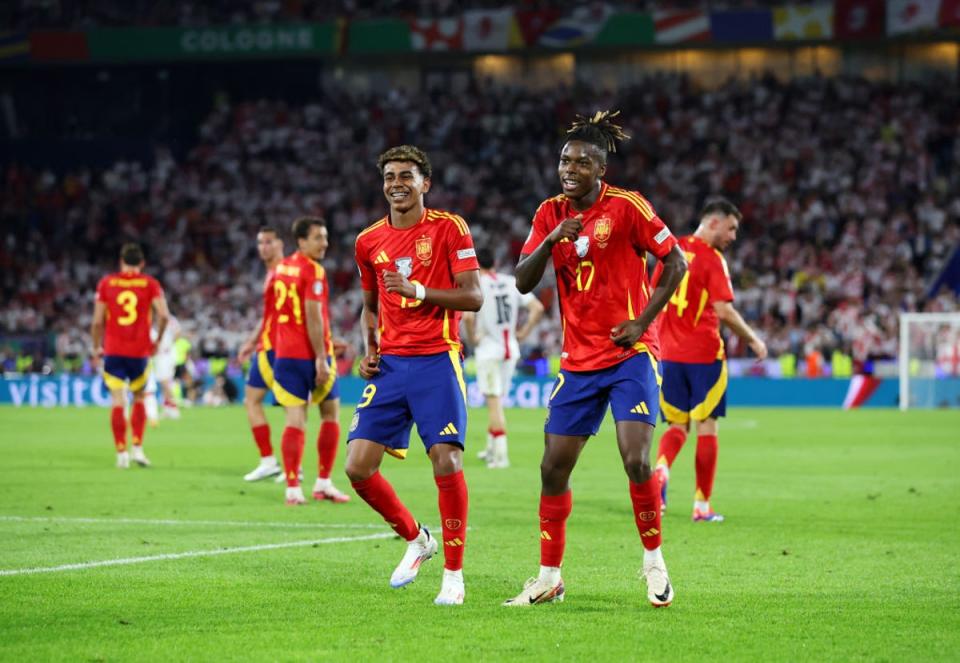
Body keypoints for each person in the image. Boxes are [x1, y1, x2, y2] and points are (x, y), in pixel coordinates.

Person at [502, 111, 687, 608]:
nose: (570, 168)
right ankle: (548, 576)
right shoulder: (548, 213)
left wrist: (643, 322)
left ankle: (654, 562)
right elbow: (522, 281)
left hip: (629, 356)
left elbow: (676, 261)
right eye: (565, 160)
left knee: (637, 459)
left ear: (600, 170)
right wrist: (549, 239)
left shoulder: (627, 207)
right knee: (551, 469)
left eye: (582, 162)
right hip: (577, 362)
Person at [345, 145, 482, 606]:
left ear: (426, 182)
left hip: (436, 360)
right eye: (389, 176)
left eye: (406, 175)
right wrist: (369, 351)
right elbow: (369, 306)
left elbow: (474, 297)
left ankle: (455, 576)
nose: (396, 183)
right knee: (358, 468)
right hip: (391, 365)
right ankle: (417, 538)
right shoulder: (368, 241)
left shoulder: (448, 228)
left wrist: (419, 290)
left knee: (446, 460)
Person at [652, 198, 768, 522]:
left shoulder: (670, 249)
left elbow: (653, 298)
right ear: (713, 223)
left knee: (676, 425)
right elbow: (724, 310)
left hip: (668, 355)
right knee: (707, 426)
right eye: (731, 228)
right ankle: (701, 507)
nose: (733, 236)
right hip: (704, 355)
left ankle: (660, 470)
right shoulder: (713, 259)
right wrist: (753, 339)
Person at [270, 217, 348, 505]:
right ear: (301, 241)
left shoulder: (281, 267)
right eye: (318, 238)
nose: (324, 243)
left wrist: (327, 340)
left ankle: (292, 487)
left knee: (295, 419)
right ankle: (324, 482)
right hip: (311, 355)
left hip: (285, 354)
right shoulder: (313, 270)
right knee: (330, 414)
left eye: (325, 237)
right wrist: (320, 355)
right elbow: (313, 315)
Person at [462, 247, 545, 468]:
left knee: (494, 403)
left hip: (489, 350)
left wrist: (473, 339)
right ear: (495, 263)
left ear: (477, 265)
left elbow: (468, 319)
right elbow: (537, 308)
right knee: (498, 402)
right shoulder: (511, 281)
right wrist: (524, 333)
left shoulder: (477, 284)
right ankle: (490, 449)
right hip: (511, 349)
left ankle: (500, 456)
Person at [90, 243, 170, 468]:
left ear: (121, 261)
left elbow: (97, 321)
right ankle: (137, 447)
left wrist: (96, 346)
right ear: (142, 263)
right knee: (140, 398)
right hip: (140, 350)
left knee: (118, 400)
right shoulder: (150, 284)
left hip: (114, 350)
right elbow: (164, 315)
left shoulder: (106, 283)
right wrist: (157, 340)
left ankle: (121, 453)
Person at [238, 227, 284, 482]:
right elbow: (269, 315)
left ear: (280, 244)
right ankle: (268, 461)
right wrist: (251, 340)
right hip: (265, 347)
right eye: (260, 243)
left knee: (292, 407)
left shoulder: (286, 271)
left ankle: (293, 467)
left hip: (282, 349)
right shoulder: (270, 273)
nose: (263, 247)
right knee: (251, 400)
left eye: (269, 242)